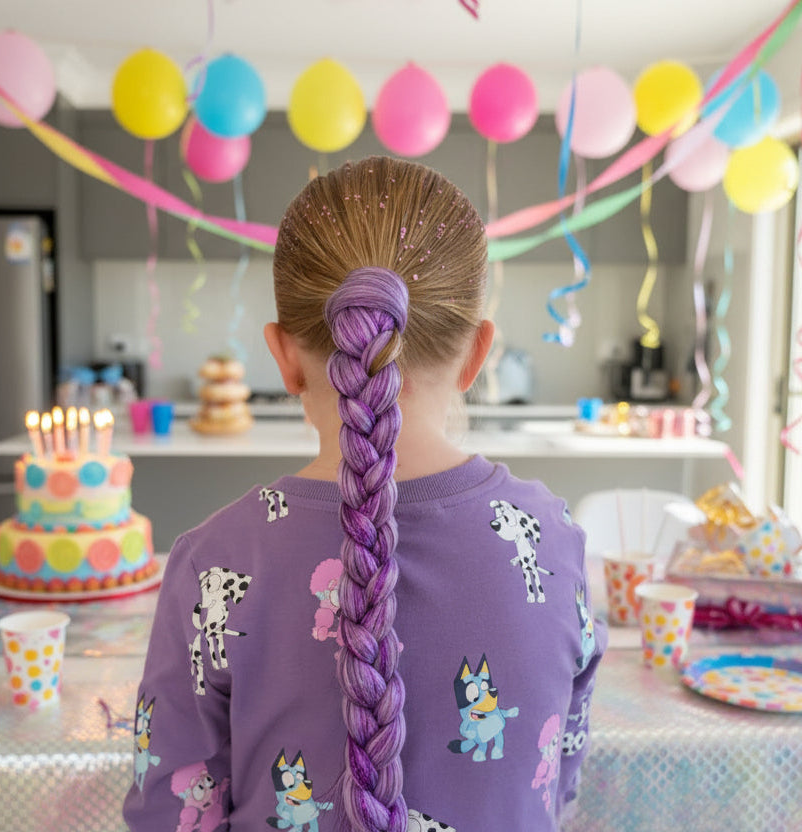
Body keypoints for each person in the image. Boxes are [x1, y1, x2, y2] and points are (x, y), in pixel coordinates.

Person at [123, 155, 605, 832]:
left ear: (284, 356)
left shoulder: (216, 561)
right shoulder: (555, 542)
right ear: (477, 354)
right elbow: (558, 784)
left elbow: (168, 814)